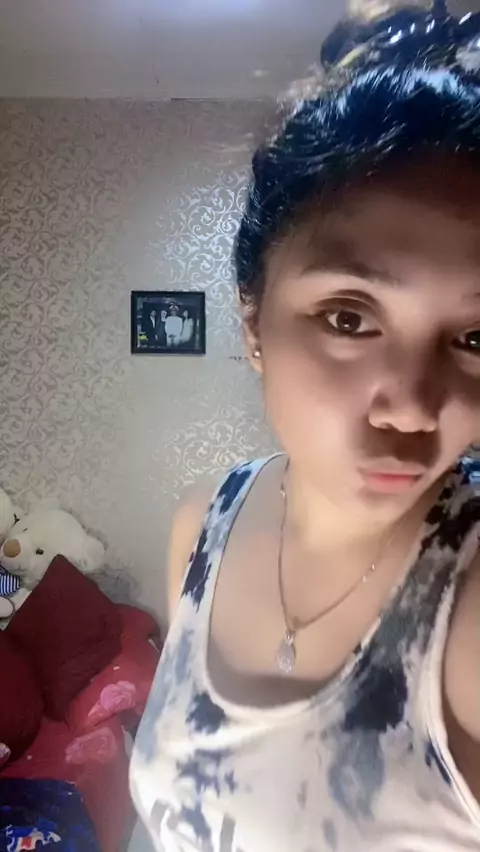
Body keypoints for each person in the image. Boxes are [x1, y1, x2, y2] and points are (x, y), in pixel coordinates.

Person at [130, 2, 480, 849]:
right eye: (349, 318)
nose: (413, 406)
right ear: (254, 322)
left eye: (475, 338)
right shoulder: (202, 526)